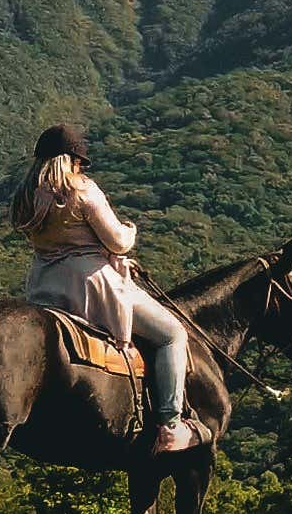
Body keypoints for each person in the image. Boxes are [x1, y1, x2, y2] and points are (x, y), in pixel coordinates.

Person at [11, 124, 204, 453]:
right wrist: (130, 230)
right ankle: (170, 424)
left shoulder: (26, 196)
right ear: (72, 160)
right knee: (173, 333)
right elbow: (117, 242)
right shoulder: (81, 190)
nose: (80, 168)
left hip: (45, 287)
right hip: (93, 285)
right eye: (79, 162)